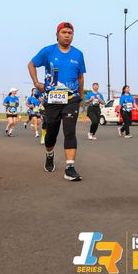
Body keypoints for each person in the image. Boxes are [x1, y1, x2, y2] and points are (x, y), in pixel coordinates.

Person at [28, 22, 86, 181]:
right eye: (64, 32)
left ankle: (70, 167)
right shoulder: (48, 51)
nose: (67, 35)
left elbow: (80, 77)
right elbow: (31, 64)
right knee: (51, 135)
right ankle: (49, 154)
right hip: (52, 100)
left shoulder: (78, 54)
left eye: (70, 33)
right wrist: (36, 83)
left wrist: (80, 97)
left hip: (71, 99)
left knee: (70, 131)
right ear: (57, 35)